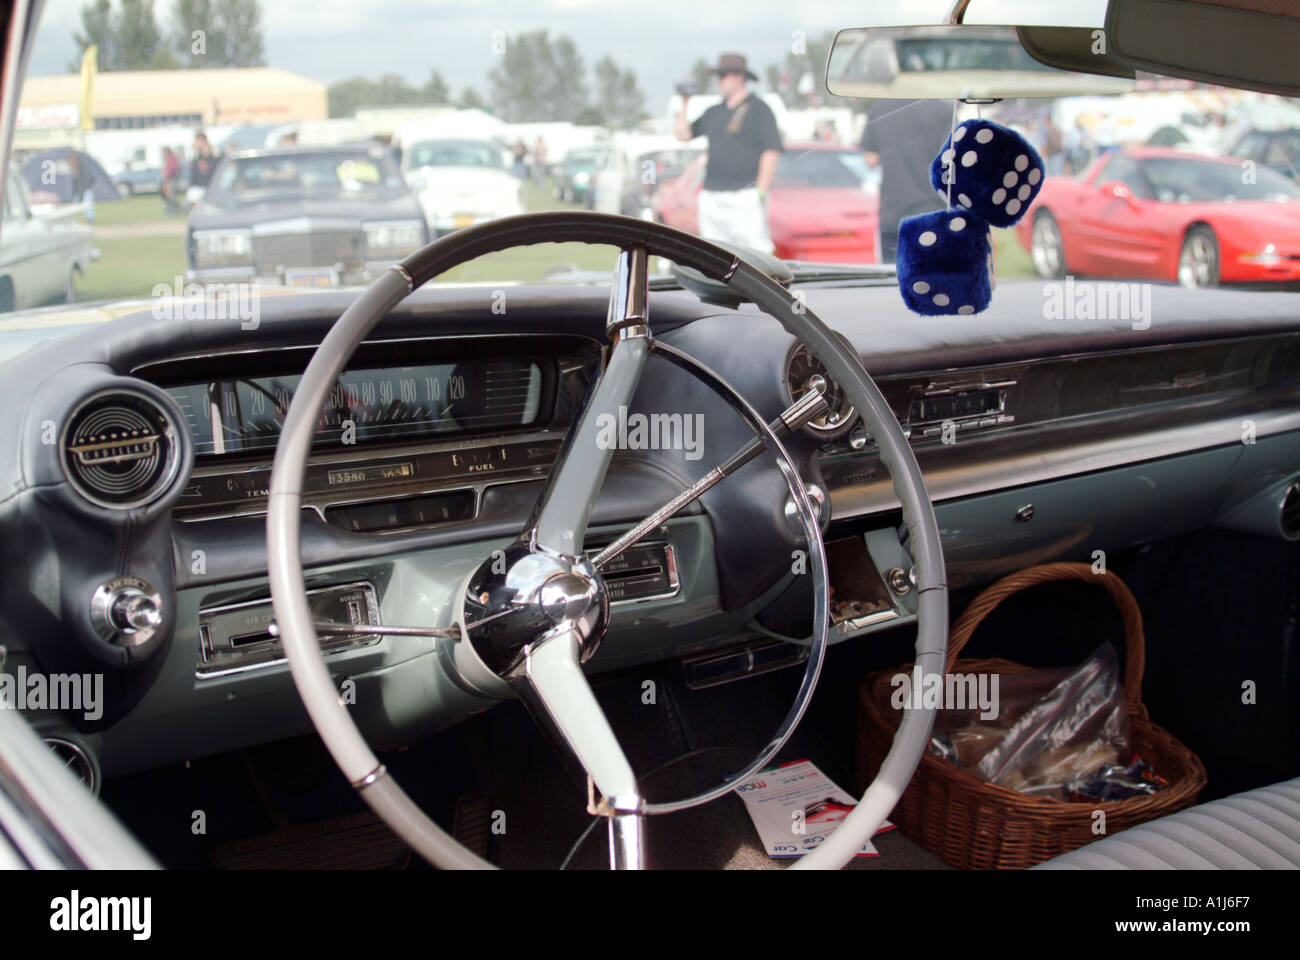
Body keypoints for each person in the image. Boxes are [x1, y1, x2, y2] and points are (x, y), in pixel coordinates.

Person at [675, 52, 782, 254]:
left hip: (744, 194)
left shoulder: (759, 109)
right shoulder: (714, 112)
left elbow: (772, 149)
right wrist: (684, 102)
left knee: (756, 254)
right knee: (716, 255)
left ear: (740, 77)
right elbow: (683, 134)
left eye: (724, 75)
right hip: (712, 195)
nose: (720, 81)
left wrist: (760, 190)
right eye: (719, 76)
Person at [858, 98, 954, 264]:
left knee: (894, 281)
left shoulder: (879, 107)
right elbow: (951, 157)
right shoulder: (943, 108)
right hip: (932, 213)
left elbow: (870, 159)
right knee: (934, 279)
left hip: (893, 215)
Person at [67, 151, 95, 222]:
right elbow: (74, 184)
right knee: (75, 205)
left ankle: (90, 218)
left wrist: (83, 192)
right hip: (78, 191)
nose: (71, 162)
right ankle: (73, 220)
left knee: (87, 204)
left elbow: (87, 181)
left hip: (86, 189)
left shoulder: (83, 169)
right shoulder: (73, 170)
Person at [161, 146, 181, 214]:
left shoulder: (172, 158)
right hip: (168, 179)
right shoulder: (167, 159)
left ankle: (178, 208)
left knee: (171, 195)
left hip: (172, 179)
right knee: (168, 195)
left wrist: (167, 174)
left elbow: (172, 169)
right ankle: (172, 209)